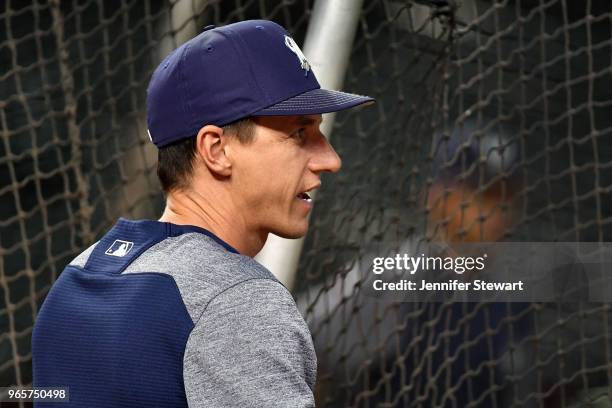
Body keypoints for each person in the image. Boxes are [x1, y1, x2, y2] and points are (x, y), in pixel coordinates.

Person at [32, 20, 373, 407]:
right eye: (299, 133)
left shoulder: (78, 275)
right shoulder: (237, 301)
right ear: (216, 149)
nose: (330, 159)